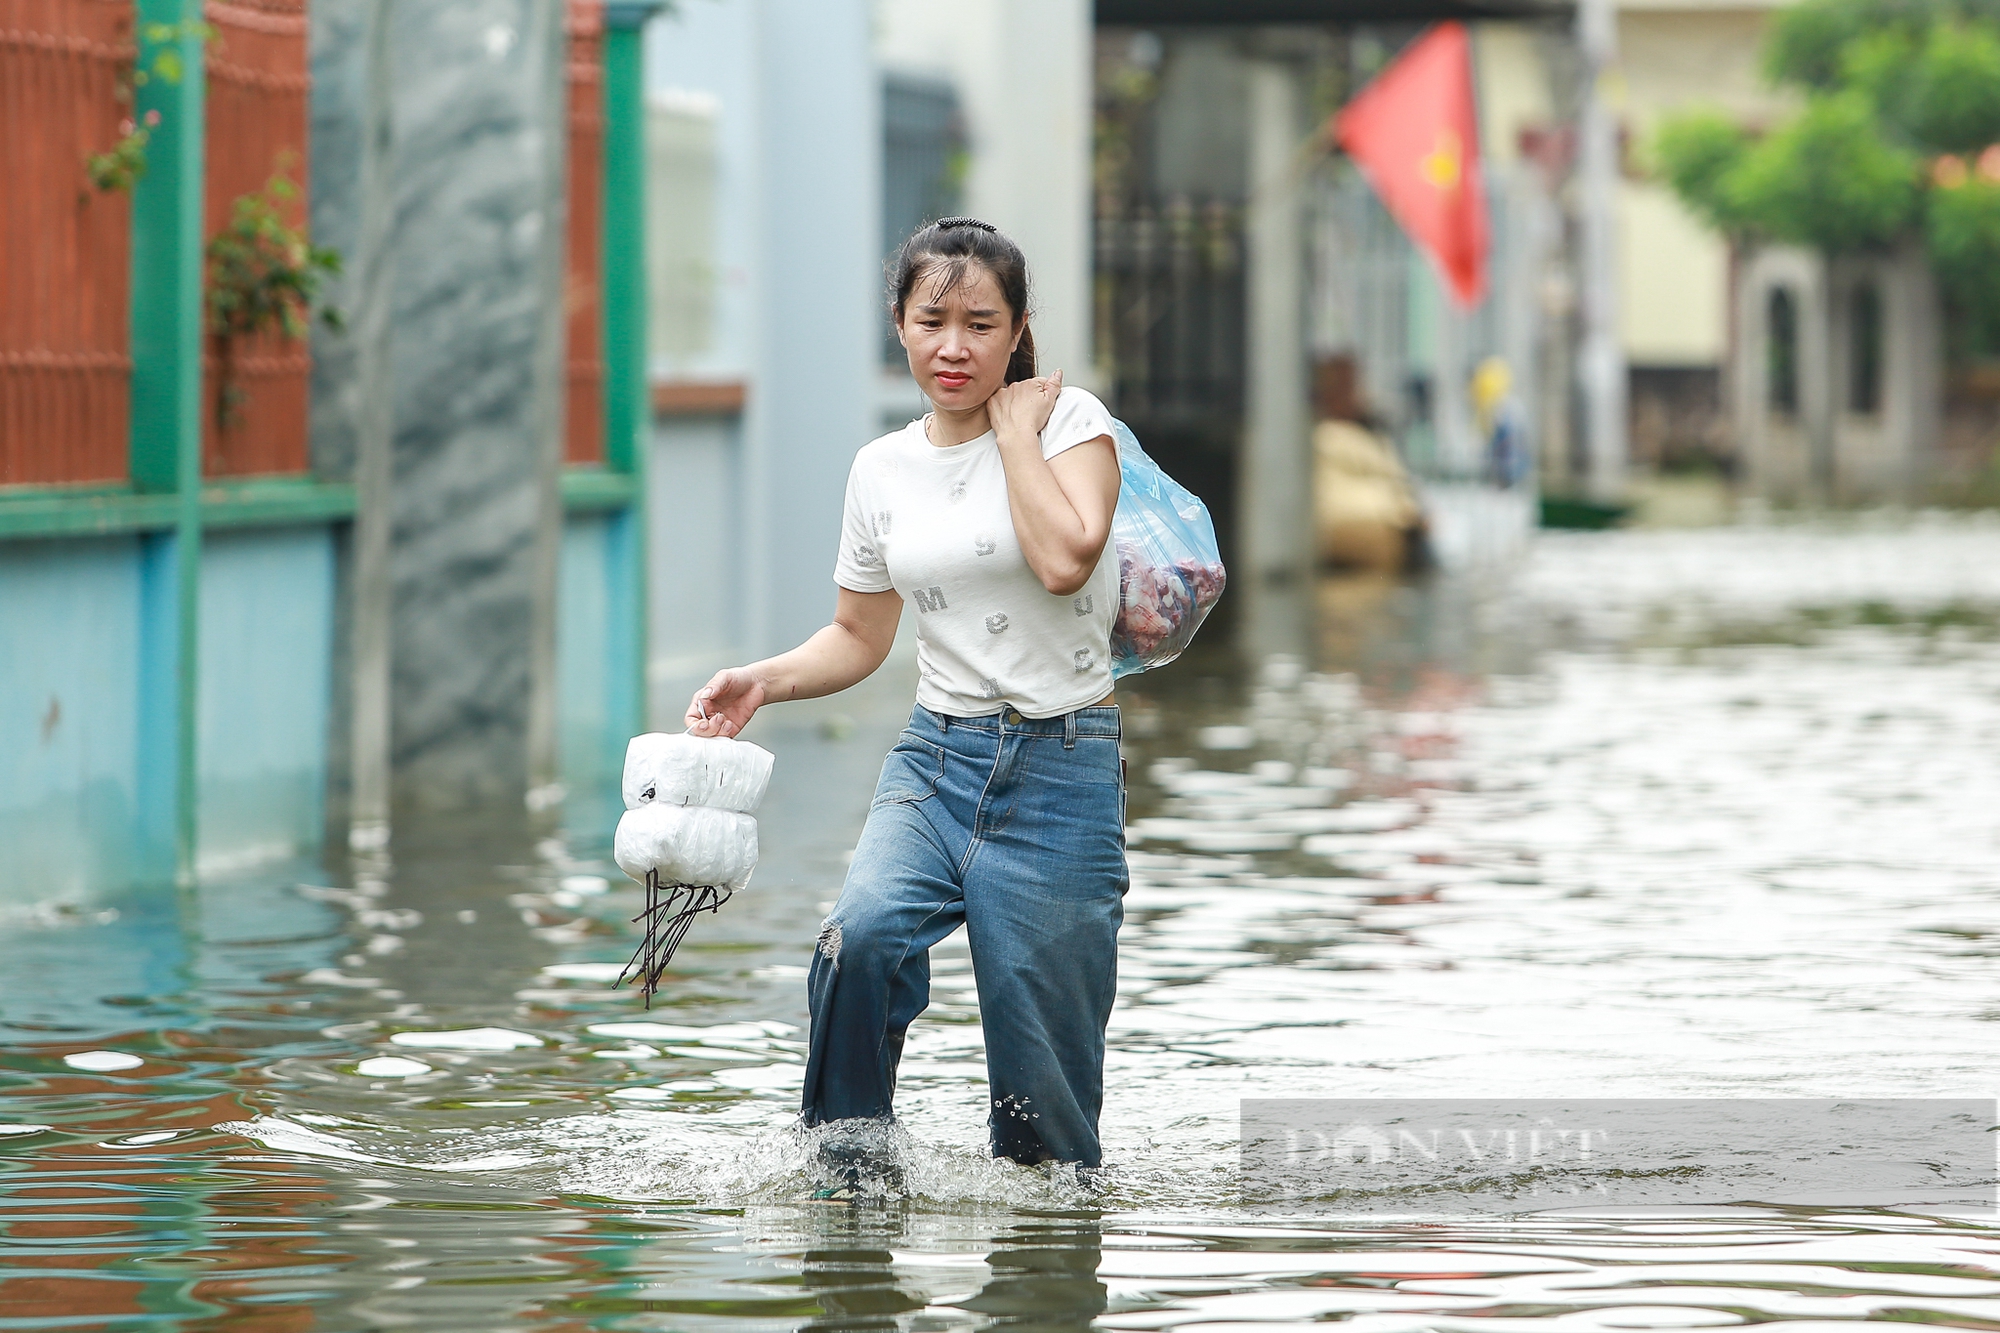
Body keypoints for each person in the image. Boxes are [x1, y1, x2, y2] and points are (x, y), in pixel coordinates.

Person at [683, 218, 1127, 1190]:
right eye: (933, 320)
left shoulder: (1072, 427)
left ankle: (1041, 1259)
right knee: (858, 938)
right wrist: (760, 678)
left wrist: (1012, 434)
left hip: (1062, 774)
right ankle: (849, 1171)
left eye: (980, 322)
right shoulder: (879, 470)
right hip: (934, 763)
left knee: (1042, 1125)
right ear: (899, 324)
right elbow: (858, 635)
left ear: (1017, 332)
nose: (954, 347)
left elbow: (1062, 560)